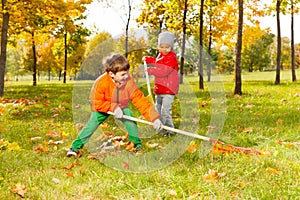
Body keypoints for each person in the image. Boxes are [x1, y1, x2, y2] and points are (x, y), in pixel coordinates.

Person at [67, 53, 162, 157]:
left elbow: (140, 100)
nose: (126, 77)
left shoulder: (128, 81)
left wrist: (154, 118)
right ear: (111, 74)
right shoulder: (101, 83)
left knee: (131, 121)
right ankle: (75, 147)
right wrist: (113, 107)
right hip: (103, 107)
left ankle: (136, 144)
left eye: (127, 73)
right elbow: (97, 103)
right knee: (91, 126)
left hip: (121, 104)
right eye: (122, 74)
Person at [142, 31, 180, 136]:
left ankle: (171, 130)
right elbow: (157, 62)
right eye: (162, 47)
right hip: (159, 89)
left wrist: (151, 71)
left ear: (171, 47)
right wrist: (148, 59)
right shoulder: (160, 55)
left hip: (168, 89)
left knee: (165, 112)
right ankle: (162, 128)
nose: (164, 49)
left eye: (167, 47)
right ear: (158, 46)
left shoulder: (171, 58)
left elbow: (164, 71)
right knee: (158, 110)